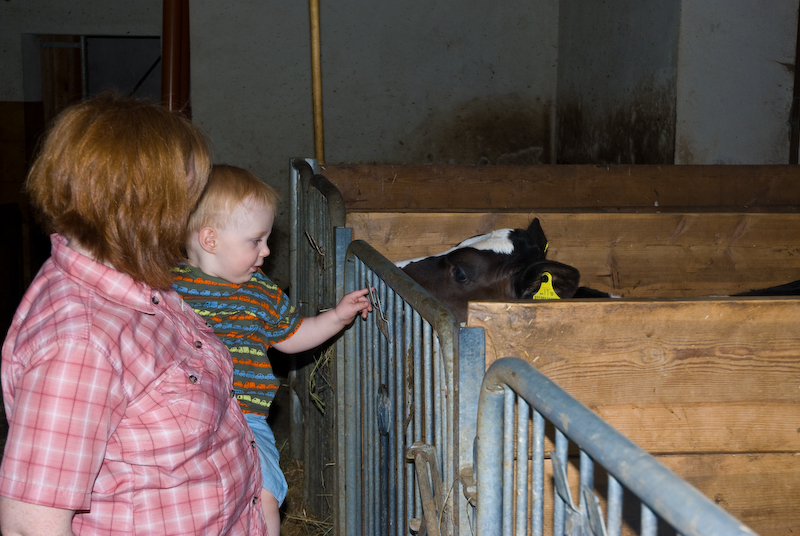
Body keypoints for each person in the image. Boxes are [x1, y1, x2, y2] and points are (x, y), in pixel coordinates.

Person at [0, 95, 269, 535]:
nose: (190, 212)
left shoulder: (137, 279)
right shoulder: (80, 346)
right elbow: (31, 526)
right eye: (185, 198)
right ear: (143, 205)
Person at [172, 164, 372, 536]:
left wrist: (337, 317)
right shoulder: (165, 289)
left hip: (245, 417)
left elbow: (292, 335)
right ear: (210, 240)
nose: (266, 251)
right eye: (255, 241)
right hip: (178, 418)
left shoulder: (261, 291)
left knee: (263, 494)